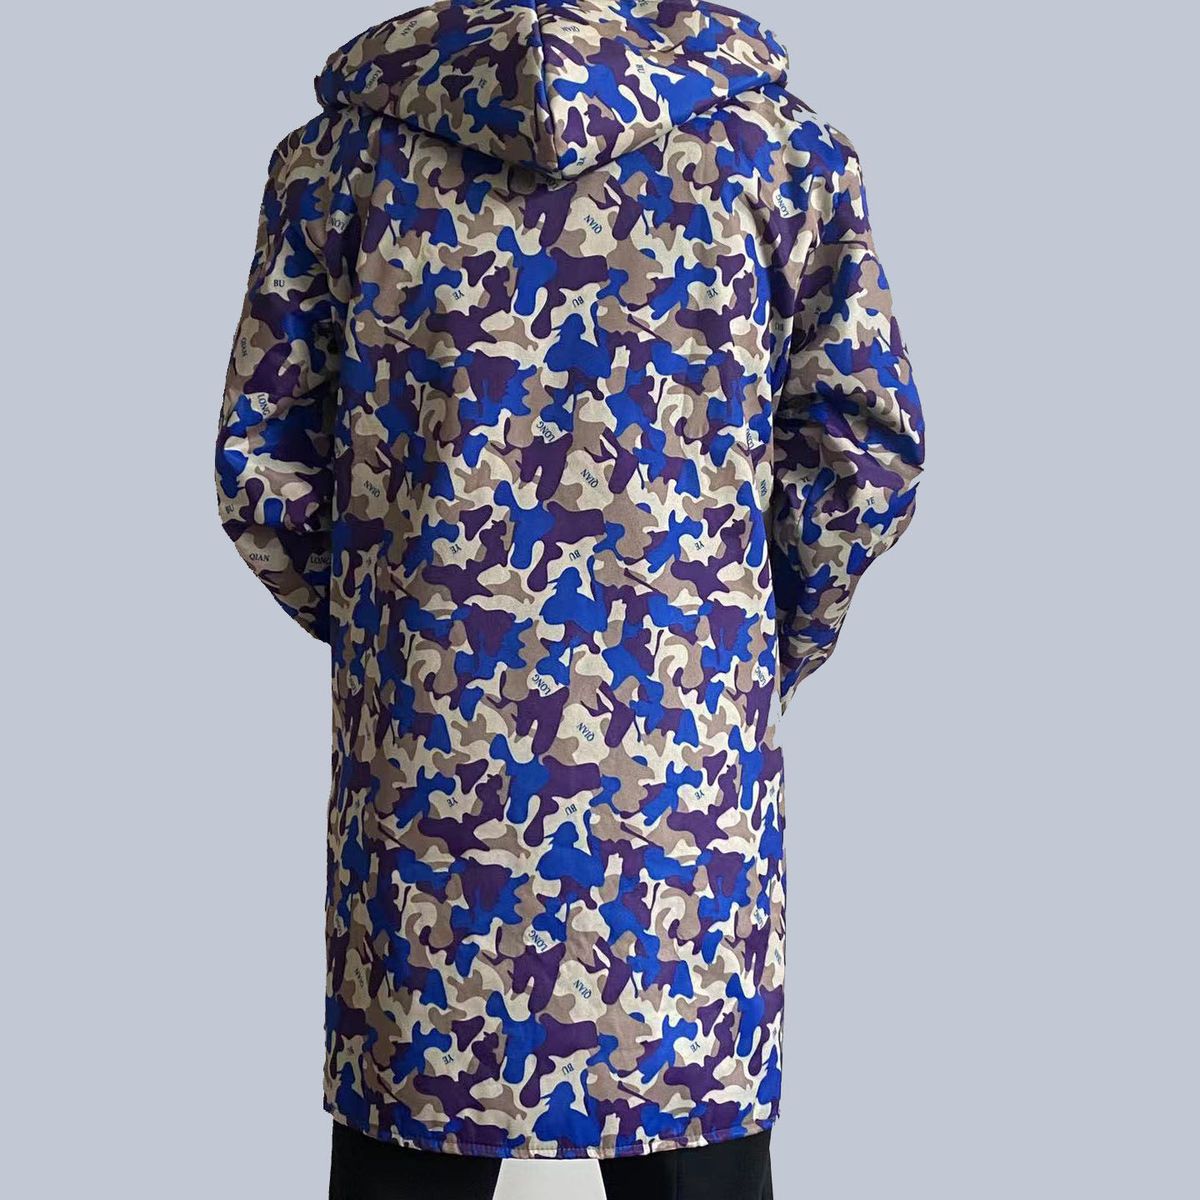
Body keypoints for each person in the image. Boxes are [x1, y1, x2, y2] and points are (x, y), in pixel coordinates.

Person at [214, 1, 925, 1195]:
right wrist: (747, 646)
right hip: (683, 803)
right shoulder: (782, 158)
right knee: (692, 1138)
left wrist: (401, 634)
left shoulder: (339, 164)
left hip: (428, 794)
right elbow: (864, 456)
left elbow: (266, 471)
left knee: (410, 1147)